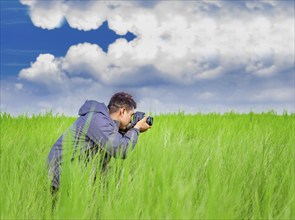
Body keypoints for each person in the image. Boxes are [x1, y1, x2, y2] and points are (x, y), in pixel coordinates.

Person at [47, 92, 150, 192]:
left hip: (75, 177)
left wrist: (132, 129)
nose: (131, 120)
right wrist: (136, 129)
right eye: (131, 115)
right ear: (122, 112)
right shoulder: (96, 119)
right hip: (60, 178)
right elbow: (120, 149)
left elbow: (114, 138)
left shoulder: (104, 122)